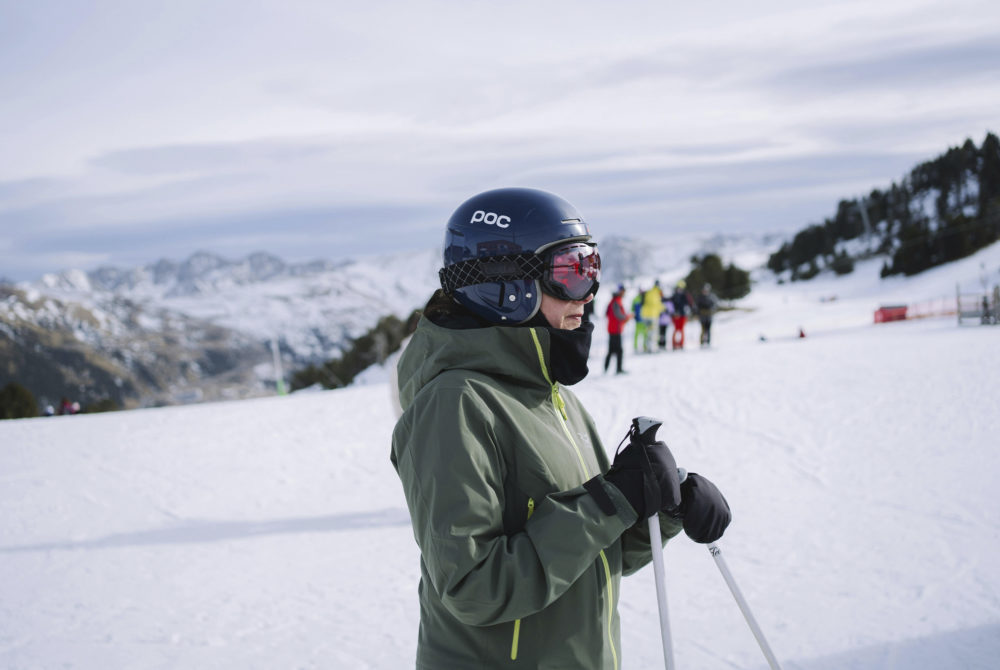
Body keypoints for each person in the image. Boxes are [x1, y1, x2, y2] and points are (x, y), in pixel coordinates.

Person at [391, 187, 731, 670]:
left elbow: (592, 560)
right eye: (570, 273)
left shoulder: (552, 396)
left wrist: (662, 505)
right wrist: (608, 500)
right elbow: (472, 588)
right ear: (507, 285)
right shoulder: (455, 405)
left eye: (592, 267)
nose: (589, 293)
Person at [604, 283, 631, 374]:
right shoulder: (616, 301)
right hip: (615, 329)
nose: (624, 293)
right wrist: (628, 317)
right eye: (623, 291)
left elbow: (608, 313)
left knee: (612, 350)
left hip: (614, 329)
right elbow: (619, 316)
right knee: (618, 350)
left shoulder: (614, 300)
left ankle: (606, 368)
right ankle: (618, 369)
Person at [640, 279, 664, 353]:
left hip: (645, 315)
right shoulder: (656, 293)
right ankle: (652, 348)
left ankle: (647, 347)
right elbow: (656, 304)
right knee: (653, 333)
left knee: (648, 332)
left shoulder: (649, 292)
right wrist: (664, 309)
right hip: (652, 315)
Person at [669, 280, 693, 350]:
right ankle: (674, 344)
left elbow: (690, 303)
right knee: (676, 330)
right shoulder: (675, 295)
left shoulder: (685, 295)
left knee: (681, 330)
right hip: (675, 315)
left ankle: (681, 344)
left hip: (682, 315)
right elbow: (670, 302)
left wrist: (689, 310)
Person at [696, 282, 719, 347]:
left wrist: (712, 310)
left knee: (708, 329)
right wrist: (698, 313)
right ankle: (702, 342)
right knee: (703, 329)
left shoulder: (711, 297)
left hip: (709, 315)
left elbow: (715, 304)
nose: (705, 291)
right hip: (702, 316)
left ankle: (708, 342)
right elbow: (697, 306)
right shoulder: (700, 297)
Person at [631, 288, 647, 352]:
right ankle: (635, 347)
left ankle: (644, 346)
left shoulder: (645, 298)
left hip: (644, 319)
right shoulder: (636, 299)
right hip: (638, 319)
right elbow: (632, 309)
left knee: (645, 334)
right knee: (637, 334)